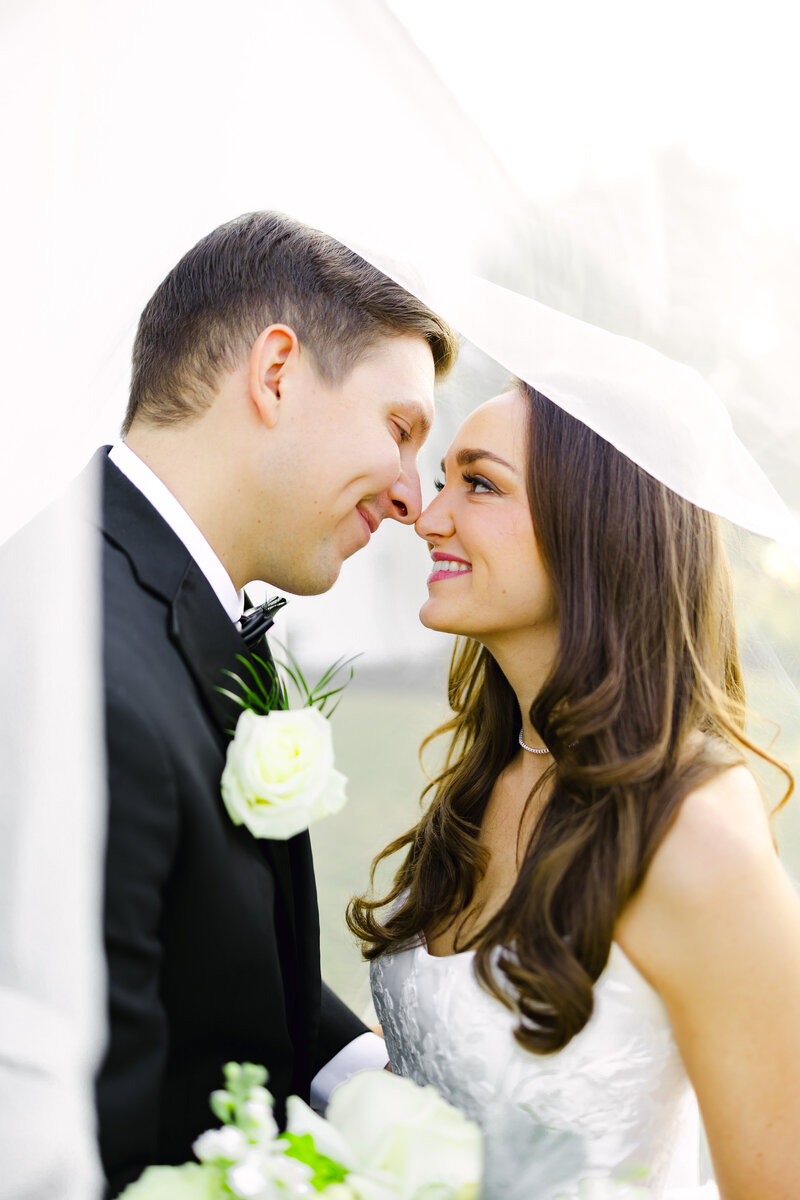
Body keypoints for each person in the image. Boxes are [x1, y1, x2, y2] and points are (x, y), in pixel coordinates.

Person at [349, 382, 800, 1200]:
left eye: (479, 484)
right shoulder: (482, 782)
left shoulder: (689, 828)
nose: (429, 515)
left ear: (594, 527)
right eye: (446, 479)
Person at [89, 210, 458, 1196]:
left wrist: (371, 1092)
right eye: (399, 429)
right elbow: (91, 1134)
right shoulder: (91, 671)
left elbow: (216, 965)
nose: (411, 500)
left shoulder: (167, 601)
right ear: (278, 374)